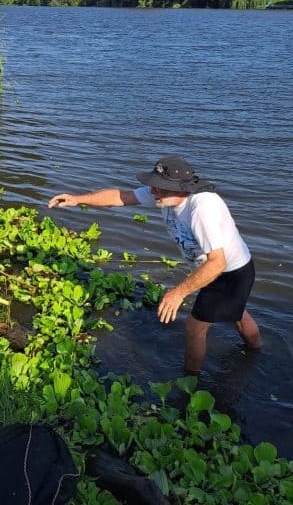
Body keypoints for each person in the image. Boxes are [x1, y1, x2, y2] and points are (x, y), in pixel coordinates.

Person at [48, 155, 262, 374]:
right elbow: (121, 196)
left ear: (180, 189)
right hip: (213, 270)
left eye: (159, 187)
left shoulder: (202, 209)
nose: (152, 191)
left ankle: (189, 385)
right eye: (154, 185)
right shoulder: (164, 196)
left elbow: (217, 263)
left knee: (194, 328)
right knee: (237, 312)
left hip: (228, 273)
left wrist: (178, 293)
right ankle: (256, 353)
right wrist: (78, 199)